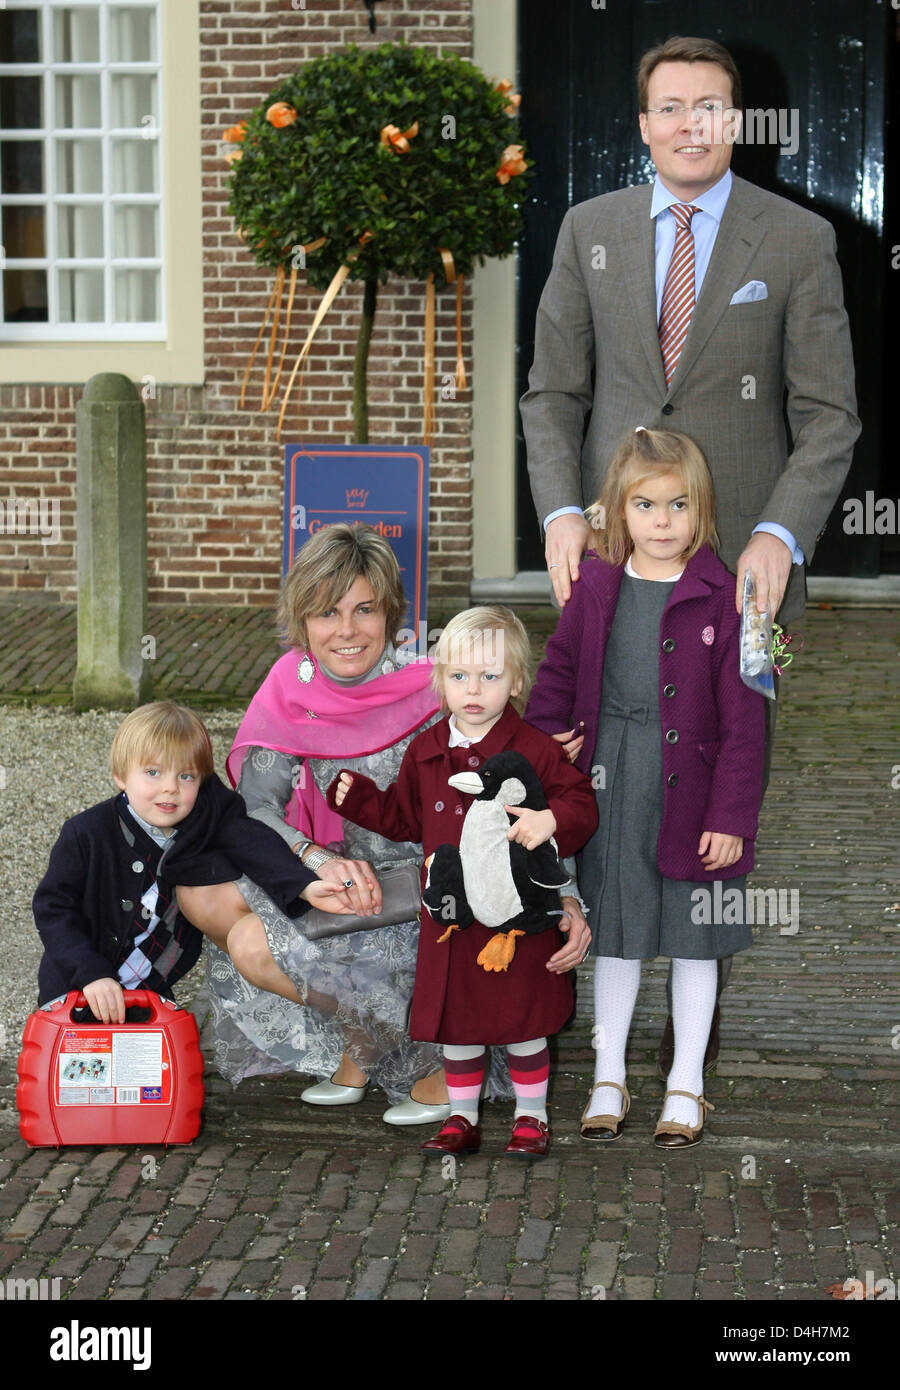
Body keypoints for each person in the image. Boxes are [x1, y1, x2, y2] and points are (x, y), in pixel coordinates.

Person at [520, 33, 860, 1071]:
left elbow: (831, 416)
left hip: (746, 588)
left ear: (738, 119)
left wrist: (777, 534)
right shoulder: (589, 230)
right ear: (643, 124)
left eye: (711, 106)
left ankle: (693, 1018)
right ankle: (617, 1005)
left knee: (725, 774)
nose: (691, 125)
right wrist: (563, 514)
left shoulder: (798, 241)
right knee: (610, 776)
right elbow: (552, 398)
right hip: (614, 573)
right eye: (671, 107)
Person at [183, 526, 592, 1122]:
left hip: (438, 894)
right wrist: (318, 860)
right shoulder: (289, 687)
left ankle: (430, 1065)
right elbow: (255, 810)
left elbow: (527, 795)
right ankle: (370, 1043)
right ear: (302, 619)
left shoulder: (442, 685)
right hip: (349, 879)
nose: (346, 631)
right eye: (326, 612)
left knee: (254, 939)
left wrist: (569, 901)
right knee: (201, 894)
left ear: (391, 613)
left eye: (364, 609)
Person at [526, 428, 767, 1147]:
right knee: (617, 938)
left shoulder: (726, 596)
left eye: (679, 505)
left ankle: (686, 1082)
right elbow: (559, 671)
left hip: (694, 795)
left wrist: (732, 814)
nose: (663, 522)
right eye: (645, 505)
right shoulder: (596, 585)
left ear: (703, 510)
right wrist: (547, 741)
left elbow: (746, 724)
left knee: (696, 940)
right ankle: (608, 1074)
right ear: (616, 512)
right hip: (612, 788)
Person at [328, 606, 597, 1159]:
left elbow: (581, 805)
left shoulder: (536, 751)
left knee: (525, 1021)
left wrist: (552, 819)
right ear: (440, 680)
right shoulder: (426, 752)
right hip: (453, 919)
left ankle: (532, 1117)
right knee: (460, 1027)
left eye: (490, 676)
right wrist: (360, 801)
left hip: (515, 919)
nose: (473, 689)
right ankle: (461, 1116)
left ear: (516, 681)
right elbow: (405, 820)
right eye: (460, 676)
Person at [32, 701, 347, 1021]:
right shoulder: (85, 833)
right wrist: (90, 973)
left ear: (202, 781)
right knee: (71, 1066)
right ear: (120, 777)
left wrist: (303, 885)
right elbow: (53, 908)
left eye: (185, 776)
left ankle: (346, 1012)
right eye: (153, 773)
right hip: (76, 991)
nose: (170, 788)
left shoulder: (207, 814)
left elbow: (254, 842)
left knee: (160, 1065)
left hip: (150, 993)